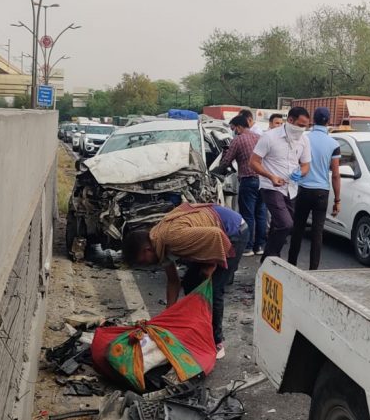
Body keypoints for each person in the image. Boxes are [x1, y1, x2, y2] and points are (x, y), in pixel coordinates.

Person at [121, 203, 248, 359]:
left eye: (141, 261)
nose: (143, 265)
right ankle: (198, 328)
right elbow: (174, 281)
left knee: (213, 289)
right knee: (190, 283)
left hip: (232, 231)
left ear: (146, 250)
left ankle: (216, 342)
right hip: (211, 234)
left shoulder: (172, 238)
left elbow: (216, 235)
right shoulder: (158, 243)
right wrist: (167, 317)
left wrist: (211, 265)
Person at [250, 107, 312, 262]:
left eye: (305, 126)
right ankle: (272, 257)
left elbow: (306, 165)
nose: (302, 129)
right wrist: (270, 176)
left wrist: (301, 172)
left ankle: (268, 259)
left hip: (291, 188)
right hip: (271, 187)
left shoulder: (304, 140)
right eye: (300, 124)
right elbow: (254, 162)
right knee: (286, 224)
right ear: (290, 120)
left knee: (280, 226)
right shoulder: (270, 137)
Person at [288, 107, 342, 270]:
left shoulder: (304, 138)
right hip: (321, 192)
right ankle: (313, 270)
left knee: (297, 229)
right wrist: (337, 200)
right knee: (317, 233)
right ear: (329, 121)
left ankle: (292, 265)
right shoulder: (334, 144)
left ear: (313, 120)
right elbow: (335, 174)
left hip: (303, 188)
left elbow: (296, 161)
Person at [217, 115, 267, 257]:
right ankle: (260, 246)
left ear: (238, 127)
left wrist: (214, 172)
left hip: (248, 180)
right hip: (264, 180)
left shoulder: (238, 140)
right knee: (261, 214)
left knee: (248, 215)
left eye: (233, 128)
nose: (233, 131)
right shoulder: (260, 137)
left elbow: (227, 161)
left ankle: (248, 247)